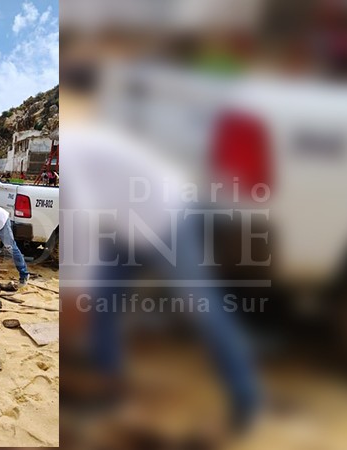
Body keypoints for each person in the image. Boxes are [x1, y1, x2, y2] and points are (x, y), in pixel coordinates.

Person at [61, 55, 259, 435]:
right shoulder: (81, 141)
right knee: (103, 306)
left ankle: (246, 397)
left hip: (166, 216)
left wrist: (74, 293)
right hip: (127, 224)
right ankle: (110, 390)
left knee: (203, 307)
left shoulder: (75, 148)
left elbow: (82, 220)